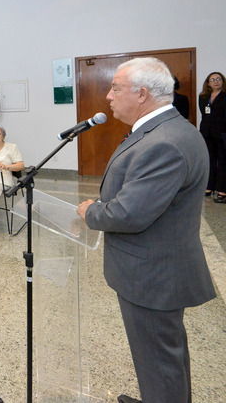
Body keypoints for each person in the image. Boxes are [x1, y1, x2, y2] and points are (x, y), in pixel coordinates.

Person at [76, 57, 215, 403]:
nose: (108, 96)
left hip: (152, 274)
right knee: (161, 357)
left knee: (160, 361)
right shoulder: (168, 129)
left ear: (141, 94)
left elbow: (129, 213)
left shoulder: (164, 142)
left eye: (116, 88)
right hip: (155, 267)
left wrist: (92, 211)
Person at [199, 71, 226, 202]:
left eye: (218, 79)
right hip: (207, 132)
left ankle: (222, 190)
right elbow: (204, 114)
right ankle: (210, 186)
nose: (216, 82)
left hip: (222, 133)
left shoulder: (225, 96)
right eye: (212, 80)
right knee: (209, 160)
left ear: (223, 81)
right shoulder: (203, 97)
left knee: (223, 161)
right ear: (208, 83)